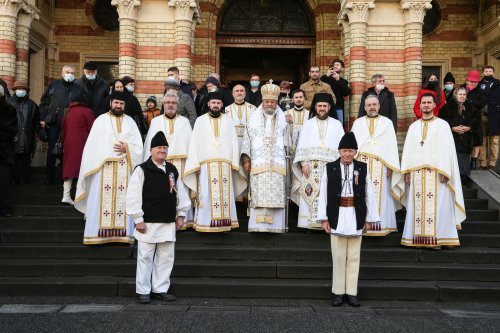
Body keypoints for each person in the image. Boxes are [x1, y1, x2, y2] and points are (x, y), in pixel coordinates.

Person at [126, 131, 190, 304]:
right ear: (151, 150)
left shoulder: (172, 170)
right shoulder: (142, 169)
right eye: (159, 148)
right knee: (145, 257)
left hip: (168, 221)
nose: (162, 150)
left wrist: (181, 214)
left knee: (166, 257)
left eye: (165, 148)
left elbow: (180, 192)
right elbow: (133, 195)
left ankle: (160, 289)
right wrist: (137, 218)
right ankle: (143, 290)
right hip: (148, 222)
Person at [317, 132, 380, 307]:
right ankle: (338, 293)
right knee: (338, 257)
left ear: (355, 152)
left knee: (354, 257)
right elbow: (323, 194)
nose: (347, 154)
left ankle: (351, 293)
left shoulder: (362, 167)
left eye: (350, 151)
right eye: (344, 150)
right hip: (337, 215)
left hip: (355, 215)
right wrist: (324, 218)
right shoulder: (330, 168)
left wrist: (369, 219)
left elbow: (369, 195)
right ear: (339, 151)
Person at [74, 91, 143, 245]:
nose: (118, 106)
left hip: (125, 168)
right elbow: (92, 147)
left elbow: (139, 147)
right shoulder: (100, 120)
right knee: (100, 201)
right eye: (116, 103)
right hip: (102, 169)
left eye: (122, 104)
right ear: (111, 103)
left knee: (125, 200)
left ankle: (124, 235)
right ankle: (96, 235)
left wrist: (127, 148)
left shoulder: (130, 122)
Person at [400, 93, 465, 249]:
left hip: (438, 174)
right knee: (418, 207)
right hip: (417, 174)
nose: (426, 105)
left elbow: (447, 151)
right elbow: (408, 151)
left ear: (435, 105)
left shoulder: (443, 125)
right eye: (424, 103)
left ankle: (440, 238)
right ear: (420, 105)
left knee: (439, 206)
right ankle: (416, 239)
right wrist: (407, 171)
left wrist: (446, 170)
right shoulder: (413, 127)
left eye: (429, 102)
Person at [184, 91, 246, 232]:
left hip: (225, 165)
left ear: (222, 104)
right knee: (206, 195)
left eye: (218, 103)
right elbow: (194, 143)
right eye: (214, 103)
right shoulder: (200, 120)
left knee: (225, 196)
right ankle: (205, 223)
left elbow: (233, 143)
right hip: (205, 165)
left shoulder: (228, 120)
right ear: (208, 104)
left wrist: (234, 163)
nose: (216, 105)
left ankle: (224, 224)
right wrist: (195, 163)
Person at [351, 95, 403, 236]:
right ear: (364, 107)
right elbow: (353, 147)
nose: (372, 107)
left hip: (382, 166)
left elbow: (391, 146)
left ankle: (383, 225)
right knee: (362, 194)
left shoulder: (387, 123)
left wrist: (391, 167)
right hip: (362, 165)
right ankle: (362, 225)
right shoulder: (358, 123)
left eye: (374, 104)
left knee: (382, 195)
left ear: (379, 106)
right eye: (369, 105)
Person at [292, 93, 344, 230]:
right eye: (319, 106)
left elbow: (342, 148)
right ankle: (309, 224)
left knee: (329, 195)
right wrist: (303, 164)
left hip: (331, 167)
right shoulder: (308, 124)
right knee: (310, 193)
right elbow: (301, 145)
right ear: (315, 107)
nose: (322, 108)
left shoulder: (337, 125)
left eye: (324, 106)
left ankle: (328, 224)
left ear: (329, 107)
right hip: (311, 167)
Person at [241, 81, 288, 233]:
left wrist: (291, 125)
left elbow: (289, 143)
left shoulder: (284, 120)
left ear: (276, 103)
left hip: (277, 166)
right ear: (263, 102)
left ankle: (276, 226)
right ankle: (257, 226)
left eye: (273, 102)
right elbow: (247, 139)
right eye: (267, 101)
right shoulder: (252, 120)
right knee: (259, 194)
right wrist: (247, 159)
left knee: (276, 195)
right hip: (258, 165)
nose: (270, 104)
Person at [143, 91, 193, 228]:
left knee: (181, 190)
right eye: (168, 102)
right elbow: (149, 145)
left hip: (181, 164)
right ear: (163, 104)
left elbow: (191, 145)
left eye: (173, 103)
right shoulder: (155, 121)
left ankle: (184, 220)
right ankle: (166, 219)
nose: (171, 105)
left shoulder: (185, 122)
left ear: (177, 105)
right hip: (161, 164)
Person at [40, 65, 84, 184]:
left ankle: (65, 177)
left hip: (71, 124)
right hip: (54, 123)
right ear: (62, 74)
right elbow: (44, 102)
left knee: (69, 151)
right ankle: (49, 177)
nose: (70, 74)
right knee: (52, 150)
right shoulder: (54, 85)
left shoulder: (78, 88)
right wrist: (43, 118)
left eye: (72, 73)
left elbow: (82, 106)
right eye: (68, 72)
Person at [60, 93, 94, 205]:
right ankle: (80, 197)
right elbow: (92, 130)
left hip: (68, 143)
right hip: (83, 144)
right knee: (82, 169)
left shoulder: (67, 111)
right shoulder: (87, 111)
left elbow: (63, 130)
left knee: (69, 169)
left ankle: (66, 195)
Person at [441, 87, 481, 182]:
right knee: (454, 158)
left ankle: (463, 179)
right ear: (456, 95)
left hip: (466, 138)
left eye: (464, 94)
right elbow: (442, 120)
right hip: (452, 137)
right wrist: (452, 127)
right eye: (460, 94)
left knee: (464, 159)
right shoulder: (448, 106)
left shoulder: (470, 107)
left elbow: (477, 119)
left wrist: (469, 127)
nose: (462, 96)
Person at [7, 81, 40, 184]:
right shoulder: (8, 102)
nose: (21, 91)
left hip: (27, 136)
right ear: (14, 90)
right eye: (19, 89)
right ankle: (13, 178)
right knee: (13, 158)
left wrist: (36, 132)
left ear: (26, 91)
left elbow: (36, 121)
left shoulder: (32, 105)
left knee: (26, 159)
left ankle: (24, 178)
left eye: (23, 89)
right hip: (12, 137)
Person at [462, 70, 488, 170]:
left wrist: (468, 101)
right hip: (463, 119)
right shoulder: (461, 89)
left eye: (475, 82)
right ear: (467, 80)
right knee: (464, 141)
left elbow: (481, 103)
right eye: (471, 81)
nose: (473, 83)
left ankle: (473, 162)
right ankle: (464, 162)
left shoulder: (481, 92)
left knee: (476, 141)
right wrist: (472, 102)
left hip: (476, 119)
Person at [0, 86, 17, 217]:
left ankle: (5, 208)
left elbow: (12, 130)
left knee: (4, 183)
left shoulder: (9, 109)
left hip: (4, 153)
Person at [479, 66, 500, 171]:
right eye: (486, 71)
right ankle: (483, 162)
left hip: (495, 116)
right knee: (482, 140)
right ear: (483, 73)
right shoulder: (479, 84)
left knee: (494, 140)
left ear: (493, 72)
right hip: (482, 116)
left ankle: (492, 163)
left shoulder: (498, 84)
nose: (488, 73)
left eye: (490, 71)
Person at [224, 84, 256, 150]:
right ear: (233, 94)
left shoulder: (253, 108)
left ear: (245, 93)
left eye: (241, 91)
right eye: (237, 91)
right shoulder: (226, 109)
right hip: (232, 142)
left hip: (249, 142)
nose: (239, 93)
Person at [321, 59, 350, 125]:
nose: (335, 66)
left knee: (339, 127)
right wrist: (326, 76)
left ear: (342, 68)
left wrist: (338, 80)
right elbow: (319, 87)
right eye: (334, 65)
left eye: (337, 65)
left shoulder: (343, 81)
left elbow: (346, 93)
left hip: (338, 108)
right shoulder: (325, 78)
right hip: (325, 107)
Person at [285, 89, 310, 156]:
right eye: (296, 97)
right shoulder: (286, 113)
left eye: (301, 97)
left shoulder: (310, 114)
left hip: (306, 146)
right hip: (291, 147)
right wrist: (290, 123)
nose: (298, 99)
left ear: (304, 98)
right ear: (292, 99)